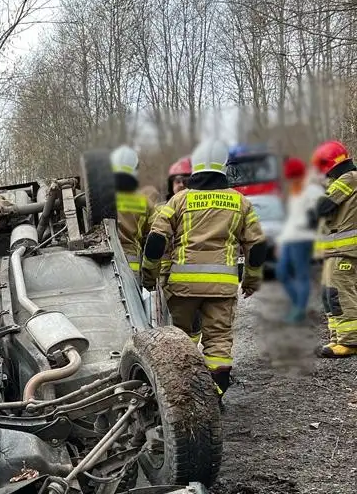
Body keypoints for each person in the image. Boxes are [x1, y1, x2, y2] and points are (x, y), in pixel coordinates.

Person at [140, 139, 266, 397]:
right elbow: (257, 247)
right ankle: (215, 393)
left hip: (182, 288)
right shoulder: (241, 203)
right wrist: (251, 281)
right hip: (222, 288)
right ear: (224, 166)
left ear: (194, 167)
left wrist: (149, 277)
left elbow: (155, 241)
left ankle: (183, 394)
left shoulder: (178, 201)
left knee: (180, 340)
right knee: (218, 342)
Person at [311, 140, 357, 358]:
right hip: (334, 251)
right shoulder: (341, 181)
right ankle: (338, 338)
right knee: (330, 296)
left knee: (341, 294)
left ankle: (350, 341)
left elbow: (322, 207)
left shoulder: (350, 178)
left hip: (345, 251)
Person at [276, 157, 322, 323]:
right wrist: (281, 242)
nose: (292, 181)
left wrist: (303, 224)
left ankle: (300, 310)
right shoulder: (294, 191)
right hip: (289, 238)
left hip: (303, 238)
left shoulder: (313, 190)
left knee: (302, 274)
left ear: (301, 174)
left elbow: (316, 216)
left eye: (294, 177)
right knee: (281, 272)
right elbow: (291, 219)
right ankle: (298, 305)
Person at [110, 145, 155, 273]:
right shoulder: (146, 202)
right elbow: (151, 239)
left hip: (103, 261)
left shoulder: (99, 197)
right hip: (132, 264)